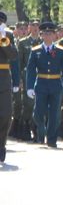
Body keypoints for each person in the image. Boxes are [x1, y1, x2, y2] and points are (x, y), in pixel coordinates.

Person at [26, 22, 63, 148]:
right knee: (38, 112)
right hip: (41, 84)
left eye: (50, 33)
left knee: (55, 113)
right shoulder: (36, 51)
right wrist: (29, 87)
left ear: (55, 35)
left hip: (56, 84)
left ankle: (52, 139)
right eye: (45, 34)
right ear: (41, 35)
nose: (48, 36)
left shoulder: (61, 51)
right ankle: (41, 132)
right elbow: (30, 69)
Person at [0, 13, 19, 164]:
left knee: (6, 114)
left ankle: (1, 145)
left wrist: (3, 39)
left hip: (3, 80)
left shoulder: (8, 36)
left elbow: (13, 55)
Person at [17, 20, 40, 141]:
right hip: (27, 77)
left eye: (37, 25)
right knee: (28, 103)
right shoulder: (23, 43)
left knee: (39, 104)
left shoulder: (43, 42)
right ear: (29, 27)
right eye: (33, 25)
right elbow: (19, 63)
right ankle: (24, 126)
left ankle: (37, 129)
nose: (35, 28)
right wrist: (19, 79)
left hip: (41, 77)